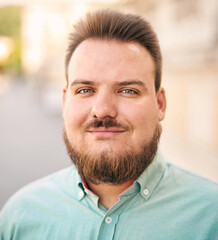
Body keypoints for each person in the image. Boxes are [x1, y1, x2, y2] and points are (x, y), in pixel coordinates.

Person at [0, 9, 217, 240]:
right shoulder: (20, 218)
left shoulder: (211, 217)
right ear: (65, 103)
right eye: (85, 90)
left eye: (128, 90)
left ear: (160, 104)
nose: (102, 109)